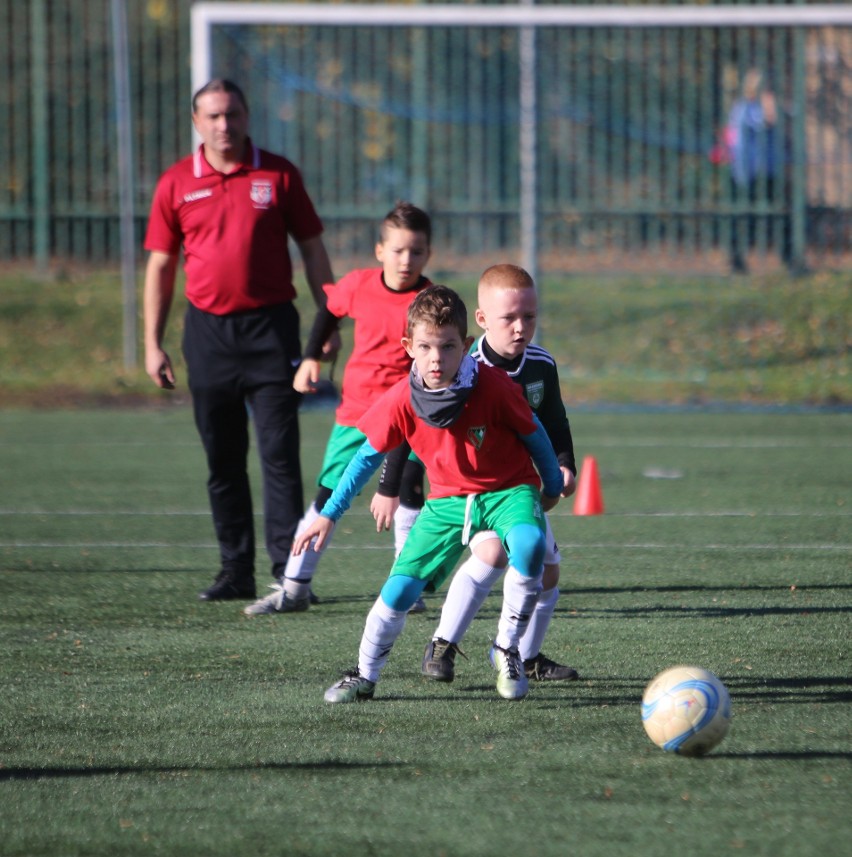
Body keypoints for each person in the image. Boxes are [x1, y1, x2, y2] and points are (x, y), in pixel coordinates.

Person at [292, 285, 566, 703]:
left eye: (448, 346)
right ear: (409, 347)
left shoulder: (493, 387)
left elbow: (537, 436)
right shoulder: (403, 396)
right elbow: (366, 457)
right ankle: (364, 675)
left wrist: (550, 486)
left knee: (529, 546)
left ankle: (507, 649)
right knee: (398, 591)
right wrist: (329, 513)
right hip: (446, 503)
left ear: (466, 346)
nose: (436, 357)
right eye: (425, 346)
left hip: (509, 491)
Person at [143, 78, 336, 602]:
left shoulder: (278, 174)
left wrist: (327, 324)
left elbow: (313, 248)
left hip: (272, 330)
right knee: (223, 458)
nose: (223, 125)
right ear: (196, 122)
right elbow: (161, 266)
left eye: (232, 114)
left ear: (247, 117)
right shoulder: (176, 183)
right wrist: (152, 343)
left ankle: (288, 572)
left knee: (279, 453)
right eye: (212, 116)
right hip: (208, 334)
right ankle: (235, 570)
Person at [374, 264, 579, 684]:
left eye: (530, 317)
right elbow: (409, 427)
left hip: (520, 487)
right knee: (493, 554)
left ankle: (527, 654)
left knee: (548, 573)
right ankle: (445, 643)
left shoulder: (541, 364)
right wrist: (392, 486)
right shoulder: (460, 365)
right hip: (474, 488)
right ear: (482, 321)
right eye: (509, 318)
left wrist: (564, 465)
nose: (521, 328)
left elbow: (554, 421)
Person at [244, 201, 434, 615]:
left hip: (410, 416)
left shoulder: (429, 302)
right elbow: (328, 312)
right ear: (380, 250)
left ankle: (408, 588)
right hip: (358, 413)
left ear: (428, 254)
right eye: (398, 250)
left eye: (416, 252)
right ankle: (294, 587)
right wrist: (311, 357)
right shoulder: (358, 285)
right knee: (330, 493)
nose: (407, 260)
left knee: (409, 491)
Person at [726, 68, 793, 274]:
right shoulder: (745, 108)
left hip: (768, 171)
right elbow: (766, 121)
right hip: (750, 173)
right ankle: (737, 260)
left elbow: (790, 116)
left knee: (781, 214)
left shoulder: (756, 106)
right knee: (747, 218)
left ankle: (788, 258)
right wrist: (771, 107)